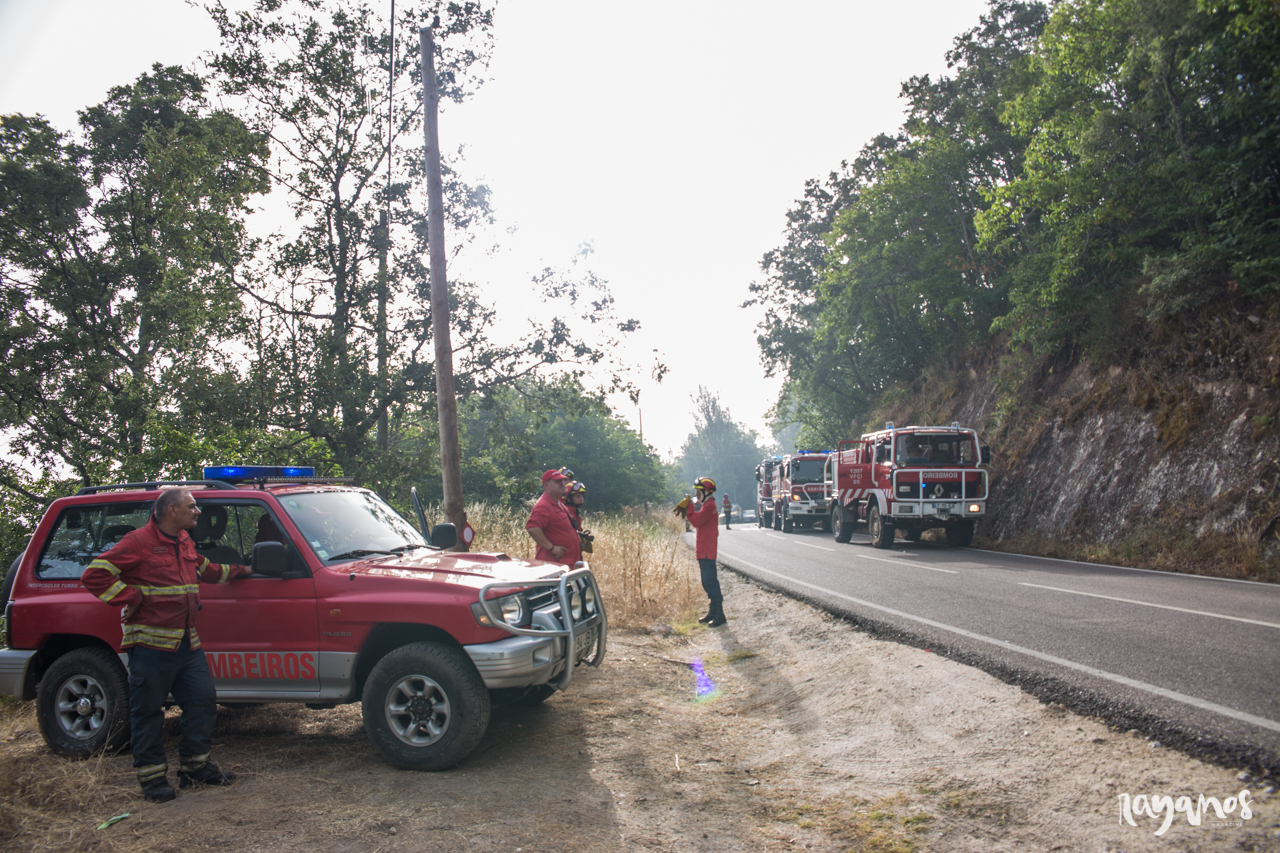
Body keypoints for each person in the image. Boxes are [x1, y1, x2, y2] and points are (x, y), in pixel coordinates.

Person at [81, 487, 251, 803]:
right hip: (150, 647)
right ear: (171, 510)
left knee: (202, 702)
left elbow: (209, 570)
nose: (198, 511)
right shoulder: (138, 542)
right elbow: (95, 574)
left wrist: (248, 570)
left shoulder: (184, 542)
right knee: (148, 714)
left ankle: (195, 769)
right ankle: (152, 780)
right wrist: (131, 596)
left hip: (187, 644)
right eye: (192, 506)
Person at [686, 477, 726, 627]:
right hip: (705, 549)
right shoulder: (708, 505)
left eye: (698, 492)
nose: (696, 495)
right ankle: (713, 611)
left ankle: (719, 614)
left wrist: (689, 508)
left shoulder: (709, 506)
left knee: (710, 581)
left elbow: (696, 521)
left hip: (707, 550)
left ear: (706, 491)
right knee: (707, 581)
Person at [526, 469, 581, 567]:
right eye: (557, 481)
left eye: (562, 480)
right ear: (547, 485)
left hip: (566, 564)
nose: (562, 483)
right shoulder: (543, 505)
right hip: (552, 567)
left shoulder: (558, 503)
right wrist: (551, 548)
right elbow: (533, 528)